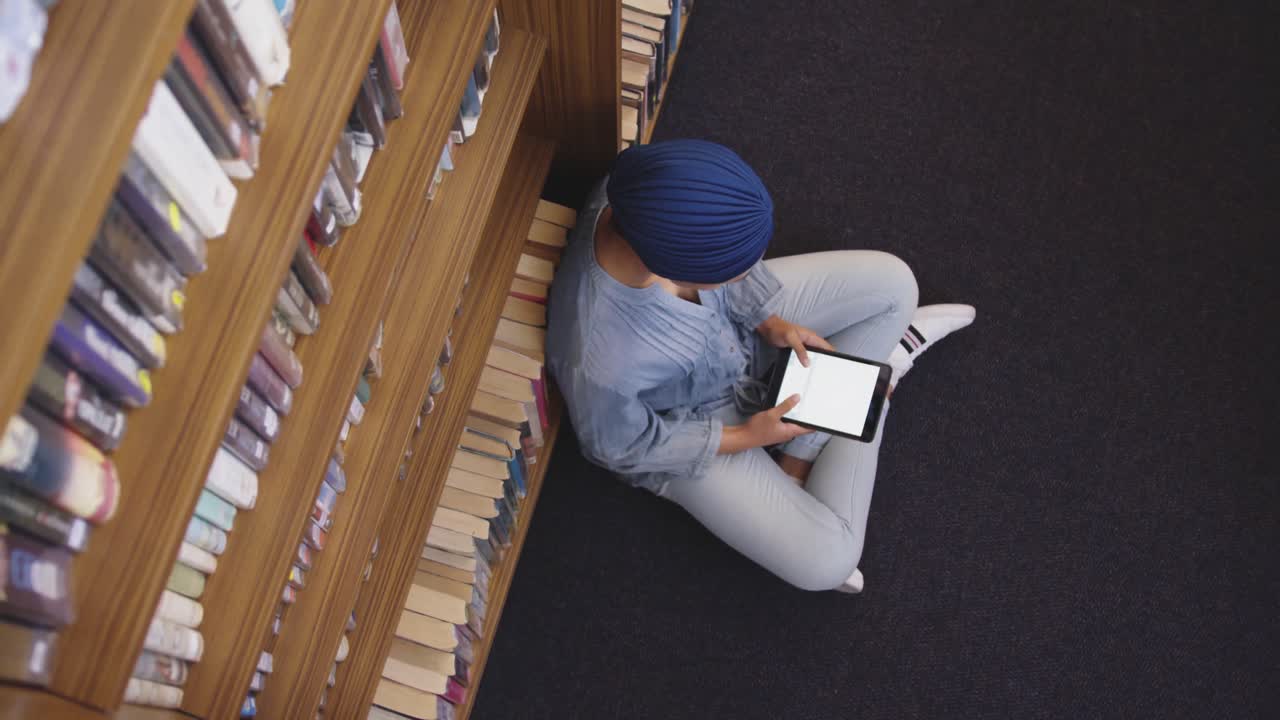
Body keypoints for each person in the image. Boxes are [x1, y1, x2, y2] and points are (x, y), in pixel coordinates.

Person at [545, 140, 974, 592]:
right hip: (692, 423)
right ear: (676, 267)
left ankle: (802, 452)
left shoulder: (643, 190)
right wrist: (746, 438)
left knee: (894, 284)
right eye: (731, 268)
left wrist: (770, 321)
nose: (746, 272)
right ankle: (879, 380)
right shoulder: (599, 361)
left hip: (735, 337)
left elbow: (733, 276)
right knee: (828, 562)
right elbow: (619, 447)